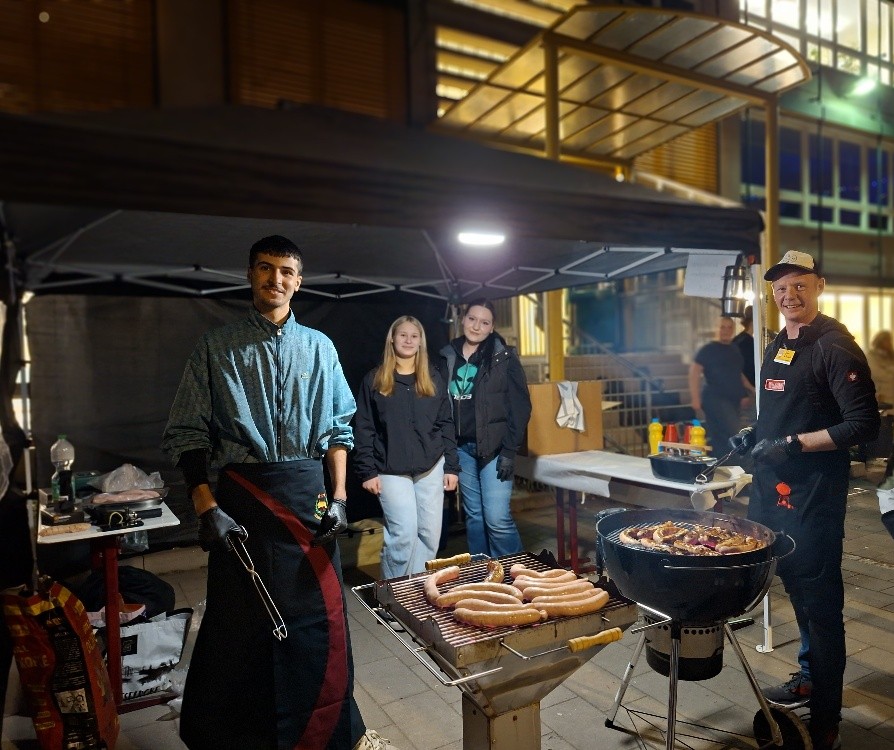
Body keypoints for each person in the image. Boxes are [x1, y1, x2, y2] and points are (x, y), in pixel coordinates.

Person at [161, 235, 394, 750]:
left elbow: (339, 430)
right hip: (243, 500)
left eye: (286, 271)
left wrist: (339, 498)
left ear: (299, 281)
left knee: (318, 622)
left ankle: (329, 731)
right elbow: (187, 433)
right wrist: (205, 506)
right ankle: (239, 739)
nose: (276, 279)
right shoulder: (216, 347)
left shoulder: (320, 347)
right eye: (266, 268)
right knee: (241, 625)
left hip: (309, 500)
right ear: (250, 274)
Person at [728, 250, 879, 750]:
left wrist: (793, 444)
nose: (789, 295)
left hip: (814, 496)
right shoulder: (779, 343)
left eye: (800, 285)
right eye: (781, 288)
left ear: (819, 287)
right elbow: (783, 410)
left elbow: (863, 426)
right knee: (795, 588)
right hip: (774, 493)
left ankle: (827, 717)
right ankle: (810, 679)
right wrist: (754, 434)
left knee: (820, 603)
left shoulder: (836, 346)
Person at [353, 316, 459, 578]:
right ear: (392, 338)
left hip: (431, 466)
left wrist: (451, 467)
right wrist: (367, 471)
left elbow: (446, 423)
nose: (409, 340)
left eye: (414, 335)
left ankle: (416, 588)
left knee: (429, 535)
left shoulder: (433, 377)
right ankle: (393, 592)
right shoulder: (375, 380)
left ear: (421, 341)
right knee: (402, 535)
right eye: (403, 335)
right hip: (390, 468)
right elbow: (364, 427)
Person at [438, 299, 531, 557]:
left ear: (492, 327)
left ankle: (514, 571)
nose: (476, 326)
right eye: (472, 319)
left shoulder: (504, 357)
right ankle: (482, 572)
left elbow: (521, 407)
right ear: (463, 320)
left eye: (484, 322)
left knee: (497, 519)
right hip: (462, 449)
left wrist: (510, 451)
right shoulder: (447, 356)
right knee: (475, 518)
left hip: (496, 450)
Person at [689, 316, 755, 456]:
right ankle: (739, 463)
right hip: (715, 399)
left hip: (734, 401)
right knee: (734, 433)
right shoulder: (708, 349)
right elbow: (694, 373)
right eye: (722, 327)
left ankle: (723, 464)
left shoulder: (734, 349)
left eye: (729, 327)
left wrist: (750, 390)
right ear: (716, 329)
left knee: (723, 438)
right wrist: (695, 399)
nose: (726, 330)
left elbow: (738, 373)